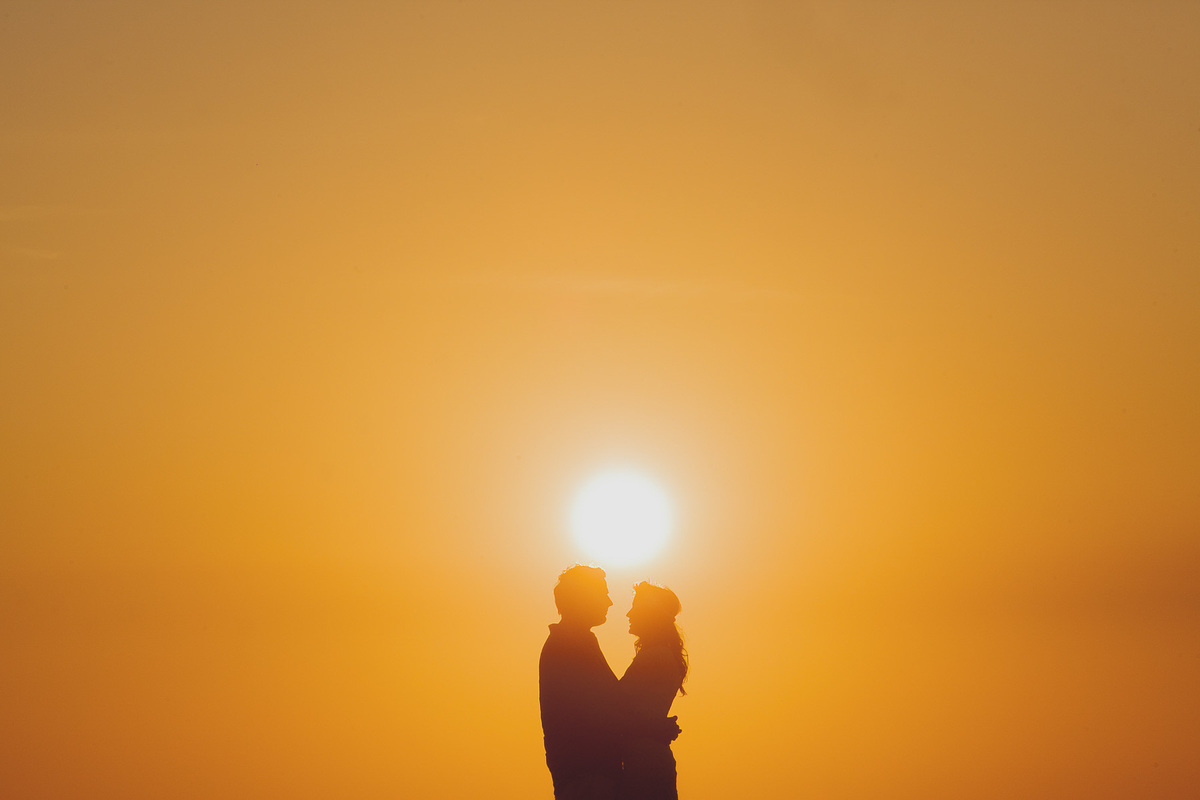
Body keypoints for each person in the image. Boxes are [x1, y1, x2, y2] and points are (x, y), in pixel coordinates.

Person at [539, 565, 622, 800]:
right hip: (587, 777)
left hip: (587, 774)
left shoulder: (577, 641)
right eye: (603, 594)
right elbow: (600, 708)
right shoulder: (568, 645)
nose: (609, 602)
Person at [618, 582, 688, 800]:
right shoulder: (661, 655)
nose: (629, 613)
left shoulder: (655, 657)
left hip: (644, 763)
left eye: (635, 607)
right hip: (650, 758)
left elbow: (617, 705)